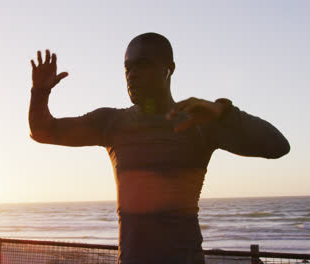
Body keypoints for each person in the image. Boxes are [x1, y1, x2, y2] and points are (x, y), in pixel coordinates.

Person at [28, 32, 290, 264]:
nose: (132, 75)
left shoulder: (198, 121)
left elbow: (278, 145)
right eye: (127, 68)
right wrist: (39, 92)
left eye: (142, 65)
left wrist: (222, 111)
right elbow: (42, 131)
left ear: (169, 68)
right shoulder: (110, 123)